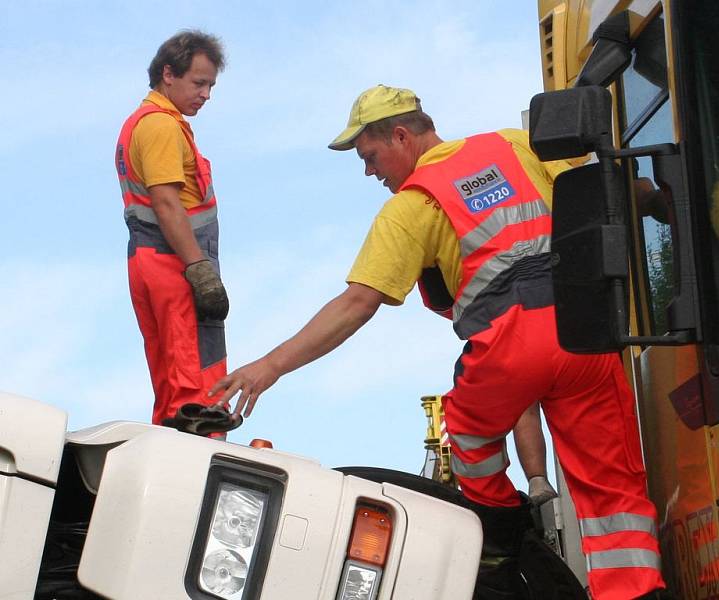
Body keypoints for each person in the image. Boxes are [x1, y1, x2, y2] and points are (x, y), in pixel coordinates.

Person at [211, 85, 669, 600]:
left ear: (400, 135)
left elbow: (356, 305)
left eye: (370, 156)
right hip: (585, 335)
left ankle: (499, 539)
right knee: (612, 486)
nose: (369, 172)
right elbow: (598, 188)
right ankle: (638, 591)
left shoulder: (414, 204)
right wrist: (657, 199)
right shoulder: (513, 145)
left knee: (470, 432)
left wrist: (269, 366)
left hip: (510, 345)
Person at [115, 31, 229, 427]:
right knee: (195, 392)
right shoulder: (161, 126)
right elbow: (167, 203)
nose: (206, 94)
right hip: (174, 263)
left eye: (211, 85)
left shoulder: (141, 124)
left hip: (152, 261)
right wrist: (199, 268)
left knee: (171, 387)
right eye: (199, 83)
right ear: (168, 74)